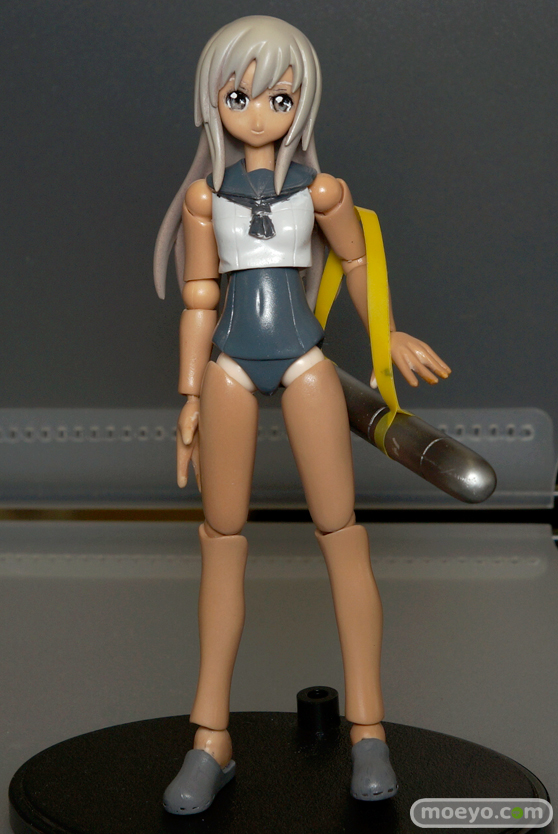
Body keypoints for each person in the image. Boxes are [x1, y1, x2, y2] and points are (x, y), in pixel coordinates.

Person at [154, 15, 450, 815]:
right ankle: (209, 739)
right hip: (228, 367)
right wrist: (189, 396)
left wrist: (387, 332)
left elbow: (355, 260)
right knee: (222, 543)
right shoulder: (206, 197)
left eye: (277, 97)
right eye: (240, 95)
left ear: (302, 103)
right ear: (214, 101)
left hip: (305, 361)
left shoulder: (320, 192)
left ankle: (368, 730)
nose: (257, 113)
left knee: (341, 536)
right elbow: (199, 297)